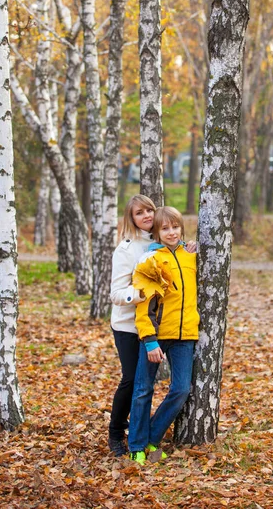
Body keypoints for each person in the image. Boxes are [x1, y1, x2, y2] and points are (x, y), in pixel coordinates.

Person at [128, 206, 199, 465]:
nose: (171, 232)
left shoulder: (191, 256)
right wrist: (149, 341)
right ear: (157, 232)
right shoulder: (151, 260)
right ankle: (135, 445)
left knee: (180, 389)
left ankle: (152, 439)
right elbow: (143, 305)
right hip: (156, 336)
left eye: (175, 227)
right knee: (142, 390)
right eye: (165, 228)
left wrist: (193, 248)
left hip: (185, 335)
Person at [108, 194, 157, 457]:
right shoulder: (126, 249)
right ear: (132, 218)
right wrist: (140, 294)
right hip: (128, 325)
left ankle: (140, 430)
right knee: (131, 379)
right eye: (140, 213)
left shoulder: (162, 242)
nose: (146, 216)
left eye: (149, 210)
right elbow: (116, 293)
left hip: (155, 326)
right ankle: (115, 432)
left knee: (146, 382)